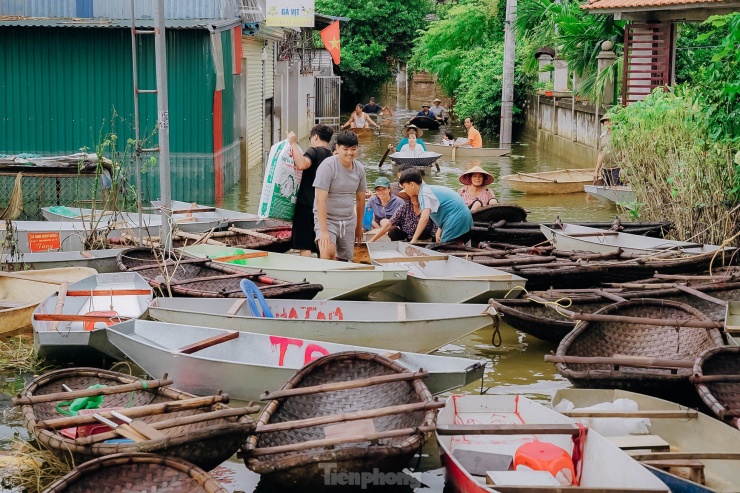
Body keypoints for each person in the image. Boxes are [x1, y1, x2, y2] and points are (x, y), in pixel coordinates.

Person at [313, 130, 367, 261]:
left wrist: (359, 226)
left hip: (348, 219)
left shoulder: (359, 169)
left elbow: (360, 200)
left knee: (344, 259)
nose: (350, 153)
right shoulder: (328, 166)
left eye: (353, 149)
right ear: (337, 147)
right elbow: (320, 201)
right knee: (328, 254)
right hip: (328, 219)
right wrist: (324, 231)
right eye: (346, 149)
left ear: (357, 148)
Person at [288, 125, 334, 257]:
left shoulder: (314, 151)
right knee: (322, 243)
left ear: (316, 137)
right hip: (325, 206)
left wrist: (293, 143)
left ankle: (306, 274)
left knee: (305, 244)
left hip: (307, 205)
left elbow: (302, 164)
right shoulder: (331, 156)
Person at [398, 168, 473, 244]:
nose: (405, 190)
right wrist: (439, 229)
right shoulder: (428, 189)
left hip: (457, 220)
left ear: (412, 184)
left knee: (444, 250)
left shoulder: (424, 193)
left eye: (404, 187)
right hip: (464, 218)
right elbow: (445, 208)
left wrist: (414, 239)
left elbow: (424, 218)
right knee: (452, 246)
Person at [369, 192, 437, 242]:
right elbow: (389, 223)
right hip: (407, 235)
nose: (415, 199)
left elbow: (436, 225)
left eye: (417, 197)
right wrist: (372, 240)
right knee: (393, 230)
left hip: (425, 236)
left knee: (421, 228)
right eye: (413, 196)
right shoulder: (405, 207)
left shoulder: (427, 207)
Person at [593, 113, 621, 186]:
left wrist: (622, 168)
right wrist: (596, 171)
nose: (607, 122)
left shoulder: (619, 135)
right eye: (605, 121)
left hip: (617, 168)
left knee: (616, 190)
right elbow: (600, 154)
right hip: (605, 169)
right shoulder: (603, 136)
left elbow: (624, 153)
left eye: (609, 120)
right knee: (606, 190)